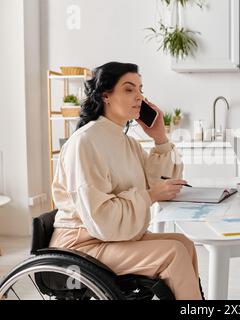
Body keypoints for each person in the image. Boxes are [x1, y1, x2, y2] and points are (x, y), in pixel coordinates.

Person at [49, 62, 202, 300]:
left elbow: (158, 180)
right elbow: (101, 218)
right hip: (82, 246)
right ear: (105, 95)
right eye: (129, 89)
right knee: (173, 252)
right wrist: (150, 196)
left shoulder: (125, 141)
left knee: (184, 243)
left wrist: (160, 137)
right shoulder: (85, 142)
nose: (139, 96)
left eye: (140, 89)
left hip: (111, 238)